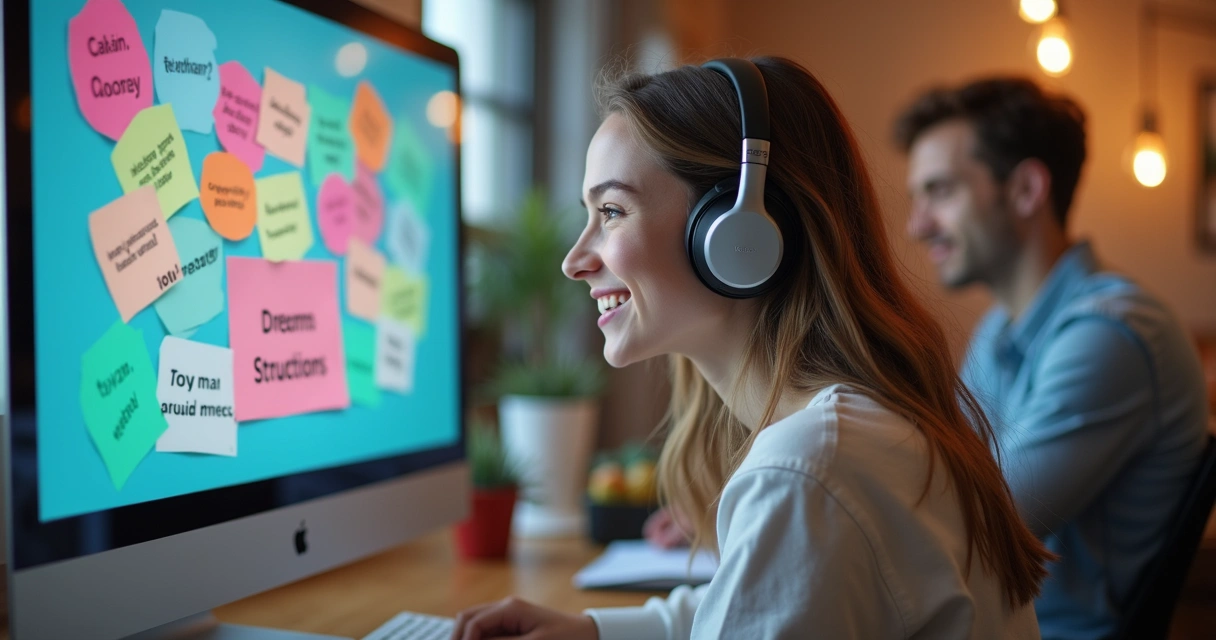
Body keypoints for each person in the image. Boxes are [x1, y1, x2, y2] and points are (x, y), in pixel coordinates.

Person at [451, 56, 1053, 640]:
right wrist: (593, 631)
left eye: (611, 211)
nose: (575, 260)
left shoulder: (810, 468)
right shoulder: (853, 435)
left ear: (736, 233)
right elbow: (757, 602)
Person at [893, 77, 1209, 639]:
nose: (917, 225)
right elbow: (945, 476)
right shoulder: (999, 331)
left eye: (939, 191)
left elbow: (969, 527)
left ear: (1026, 189)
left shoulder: (1111, 334)